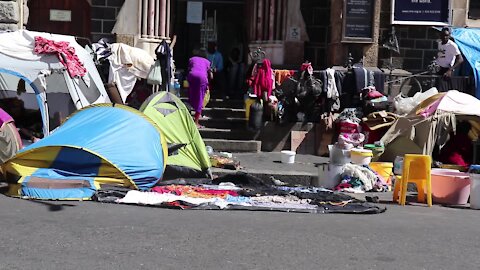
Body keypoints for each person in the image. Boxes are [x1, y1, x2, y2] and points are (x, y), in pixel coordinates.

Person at [187, 47, 212, 128]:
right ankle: (196, 122)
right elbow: (211, 76)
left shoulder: (192, 59)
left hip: (191, 76)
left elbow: (189, 69)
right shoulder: (207, 62)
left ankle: (188, 118)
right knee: (200, 99)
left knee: (192, 96)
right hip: (202, 79)